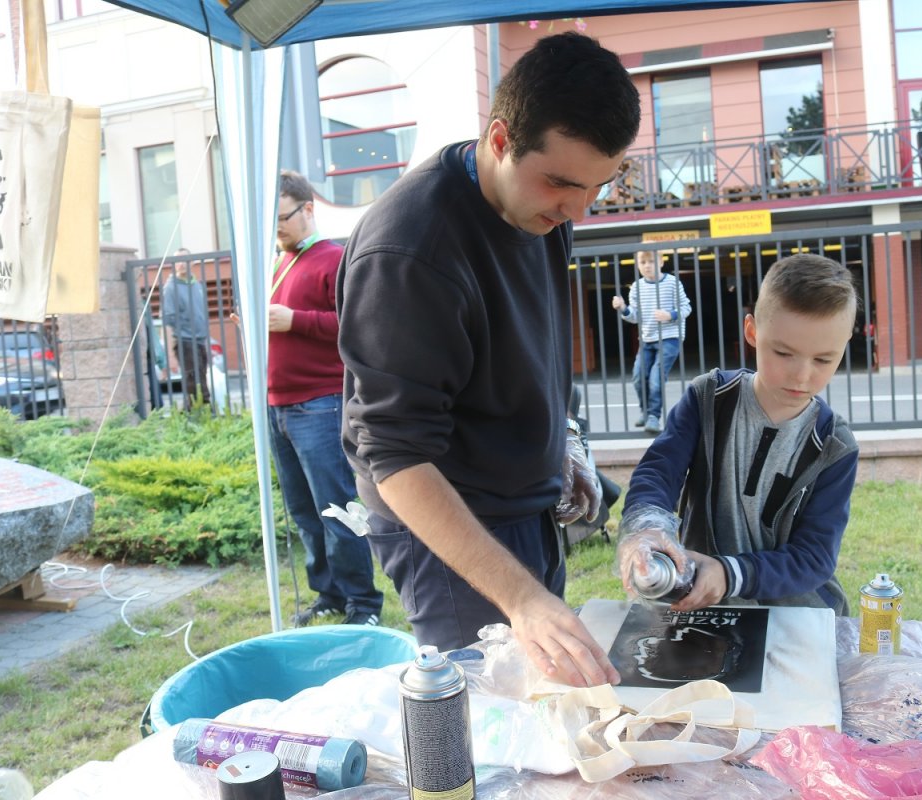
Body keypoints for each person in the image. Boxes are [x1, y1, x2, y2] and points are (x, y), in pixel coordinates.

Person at [338, 32, 640, 688]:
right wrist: (522, 597)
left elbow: (532, 345)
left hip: (529, 503)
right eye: (561, 183)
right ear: (500, 139)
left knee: (547, 691)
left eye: (598, 187)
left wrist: (564, 439)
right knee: (494, 717)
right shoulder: (410, 250)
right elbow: (394, 455)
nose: (577, 210)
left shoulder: (542, 209)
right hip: (449, 524)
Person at [616, 253, 860, 615]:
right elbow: (658, 472)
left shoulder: (834, 445)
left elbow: (814, 557)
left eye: (823, 359)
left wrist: (730, 574)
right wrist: (646, 528)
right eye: (783, 353)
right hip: (700, 608)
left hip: (796, 616)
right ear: (752, 332)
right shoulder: (707, 400)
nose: (802, 375)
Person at [237, 170, 384, 627]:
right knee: (304, 510)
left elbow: (359, 324)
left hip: (319, 404)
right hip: (277, 404)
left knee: (335, 507)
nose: (277, 229)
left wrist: (295, 320)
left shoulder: (332, 259)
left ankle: (363, 603)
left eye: (282, 218)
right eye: (271, 222)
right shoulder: (276, 263)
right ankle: (329, 593)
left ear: (308, 209)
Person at [612, 250, 692, 435]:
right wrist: (623, 308)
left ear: (661, 262)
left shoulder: (672, 282)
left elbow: (686, 307)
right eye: (643, 262)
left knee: (656, 379)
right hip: (647, 338)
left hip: (670, 337)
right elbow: (635, 316)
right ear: (638, 265)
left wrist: (670, 315)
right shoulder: (636, 287)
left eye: (651, 261)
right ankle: (646, 412)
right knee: (638, 377)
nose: (647, 265)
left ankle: (654, 417)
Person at [160, 248, 211, 411]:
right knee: (194, 384)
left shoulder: (197, 285)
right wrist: (169, 356)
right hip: (184, 341)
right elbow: (167, 321)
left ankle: (191, 416)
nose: (181, 264)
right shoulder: (170, 288)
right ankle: (199, 416)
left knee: (200, 379)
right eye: (177, 261)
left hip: (199, 340)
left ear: (193, 262)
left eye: (184, 260)